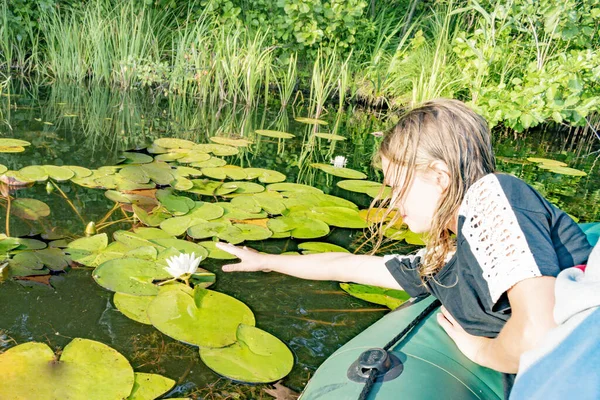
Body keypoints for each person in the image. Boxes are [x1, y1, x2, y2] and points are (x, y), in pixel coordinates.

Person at [215, 99, 593, 398]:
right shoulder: (445, 259)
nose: (393, 202)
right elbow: (349, 267)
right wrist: (266, 261)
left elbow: (535, 335)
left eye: (397, 186)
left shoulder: (492, 195)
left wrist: (481, 352)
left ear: (440, 177)